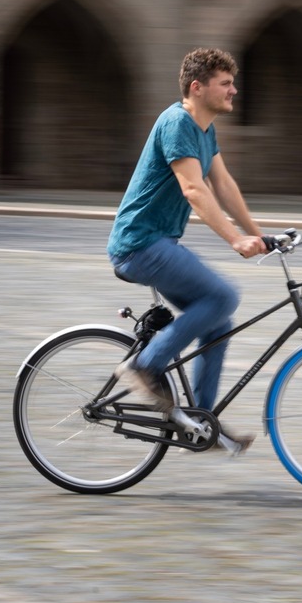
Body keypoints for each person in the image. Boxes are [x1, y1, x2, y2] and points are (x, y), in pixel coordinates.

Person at [107, 48, 267, 454]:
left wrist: (260, 235)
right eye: (226, 83)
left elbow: (224, 186)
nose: (235, 89)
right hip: (139, 244)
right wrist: (234, 240)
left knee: (217, 320)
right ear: (198, 88)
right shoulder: (177, 122)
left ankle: (199, 422)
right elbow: (194, 189)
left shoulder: (204, 129)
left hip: (157, 244)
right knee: (223, 295)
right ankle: (144, 366)